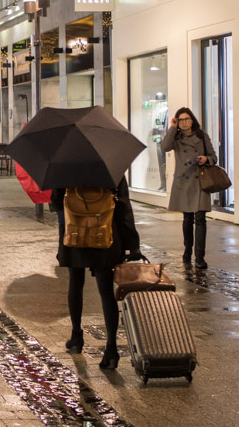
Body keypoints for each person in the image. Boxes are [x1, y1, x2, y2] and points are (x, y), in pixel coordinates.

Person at [50, 179, 142, 370]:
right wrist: (132, 244)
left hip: (75, 234)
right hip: (105, 235)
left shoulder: (66, 167)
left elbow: (57, 203)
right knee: (106, 291)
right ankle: (111, 349)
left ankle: (76, 336)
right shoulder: (111, 167)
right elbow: (124, 207)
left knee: (75, 283)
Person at [161, 107, 217, 269]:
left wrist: (205, 158)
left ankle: (200, 257)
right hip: (183, 180)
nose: (184, 122)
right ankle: (187, 250)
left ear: (192, 120)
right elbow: (165, 147)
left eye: (187, 119)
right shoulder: (176, 137)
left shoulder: (202, 136)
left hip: (200, 180)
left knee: (200, 219)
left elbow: (214, 157)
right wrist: (172, 127)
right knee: (187, 218)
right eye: (181, 120)